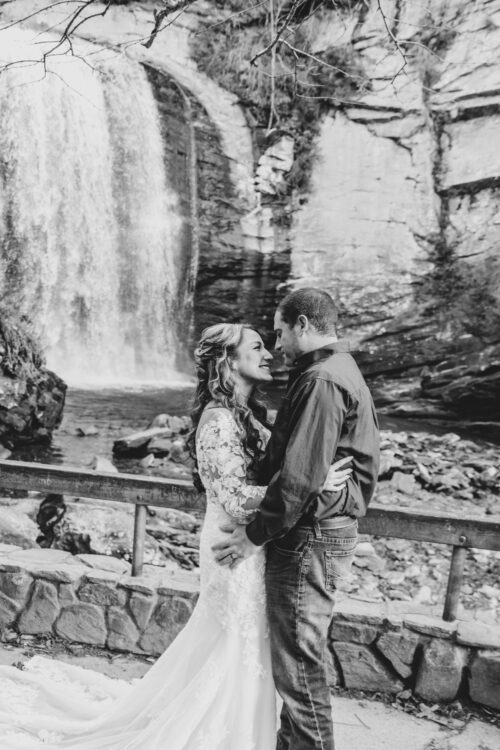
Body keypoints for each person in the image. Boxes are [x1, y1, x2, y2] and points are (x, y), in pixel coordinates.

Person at [0, 322, 351, 750]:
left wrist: (303, 473)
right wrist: (311, 483)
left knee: (243, 646)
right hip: (231, 547)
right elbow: (237, 499)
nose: (269, 354)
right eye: (257, 347)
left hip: (248, 546)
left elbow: (278, 468)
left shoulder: (248, 414)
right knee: (234, 644)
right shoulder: (218, 420)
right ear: (228, 361)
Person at [214, 289, 380, 750]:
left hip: (310, 534)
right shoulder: (332, 372)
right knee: (297, 661)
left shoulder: (323, 380)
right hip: (321, 528)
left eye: (281, 331)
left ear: (303, 325)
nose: (277, 342)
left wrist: (252, 537)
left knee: (299, 667)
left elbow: (301, 478)